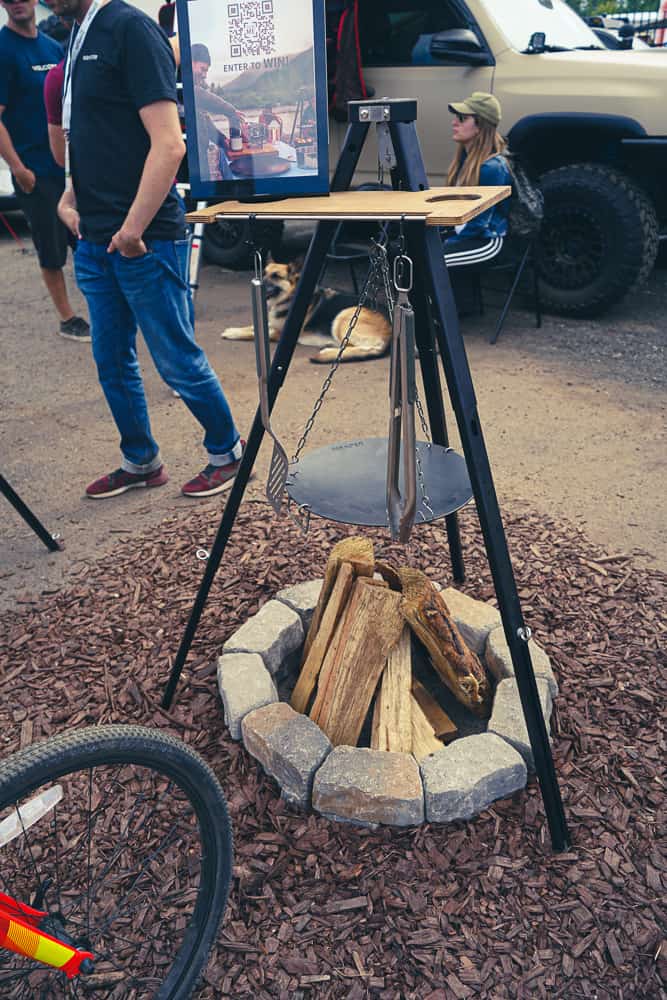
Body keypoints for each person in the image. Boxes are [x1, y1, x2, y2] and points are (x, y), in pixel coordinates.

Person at [52, 0, 244, 499]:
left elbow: (170, 144)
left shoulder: (130, 29)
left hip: (143, 238)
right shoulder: (78, 32)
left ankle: (227, 452)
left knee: (175, 358)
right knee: (111, 359)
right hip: (94, 239)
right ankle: (140, 460)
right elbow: (87, 130)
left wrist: (134, 229)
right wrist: (70, 194)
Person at [0, 0, 89, 341]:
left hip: (67, 166)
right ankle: (67, 318)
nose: (16, 4)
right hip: (34, 171)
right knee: (51, 249)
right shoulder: (4, 49)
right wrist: (19, 169)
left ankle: (99, 304)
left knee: (84, 240)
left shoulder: (52, 47)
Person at [442, 92, 511, 268]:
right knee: (410, 253)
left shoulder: (492, 167)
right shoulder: (464, 159)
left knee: (432, 264)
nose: (454, 122)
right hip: (465, 233)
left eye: (462, 118)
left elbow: (479, 225)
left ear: (480, 126)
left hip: (487, 240)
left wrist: (448, 243)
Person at [190, 42, 244, 181]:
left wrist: (224, 141)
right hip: (190, 162)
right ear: (190, 62)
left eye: (206, 71)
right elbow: (198, 94)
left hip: (201, 159)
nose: (204, 75)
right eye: (202, 69)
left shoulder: (197, 97)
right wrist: (230, 111)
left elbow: (206, 124)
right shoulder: (187, 89)